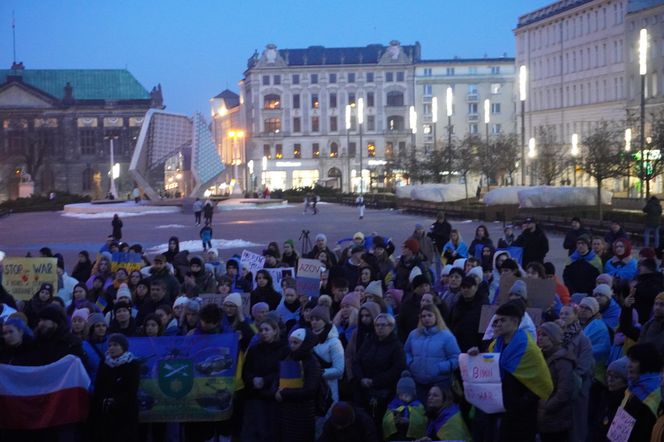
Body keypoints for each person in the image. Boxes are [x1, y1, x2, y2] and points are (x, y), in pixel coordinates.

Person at [470, 302, 553, 441]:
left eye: (503, 320)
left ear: (515, 321)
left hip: (521, 414)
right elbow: (489, 370)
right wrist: (476, 357)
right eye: (497, 320)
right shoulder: (495, 345)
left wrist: (520, 403)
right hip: (498, 409)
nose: (498, 324)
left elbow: (542, 383)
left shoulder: (529, 349)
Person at [241, 316, 289, 442]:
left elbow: (283, 371)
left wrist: (265, 380)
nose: (263, 333)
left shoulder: (284, 349)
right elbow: (246, 370)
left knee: (270, 431)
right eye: (261, 330)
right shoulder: (254, 349)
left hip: (273, 396)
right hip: (255, 396)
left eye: (267, 330)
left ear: (275, 331)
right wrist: (252, 379)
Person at [352, 313, 406, 423]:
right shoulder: (369, 341)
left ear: (391, 326)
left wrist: (375, 381)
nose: (379, 328)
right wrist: (361, 378)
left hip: (383, 391)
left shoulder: (396, 346)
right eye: (377, 325)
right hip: (363, 388)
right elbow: (357, 361)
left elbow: (397, 369)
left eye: (383, 325)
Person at [404, 305, 460, 400]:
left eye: (429, 315)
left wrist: (440, 368)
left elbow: (456, 358)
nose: (426, 318)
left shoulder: (447, 336)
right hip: (418, 382)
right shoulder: (413, 334)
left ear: (436, 316)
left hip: (439, 383)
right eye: (423, 316)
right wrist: (410, 363)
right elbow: (406, 352)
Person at [91, 333, 140, 442]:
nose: (111, 348)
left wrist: (117, 401)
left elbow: (131, 389)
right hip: (106, 411)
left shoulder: (132, 363)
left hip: (125, 412)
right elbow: (99, 385)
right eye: (110, 345)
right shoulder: (104, 362)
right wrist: (104, 400)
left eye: (115, 345)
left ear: (123, 347)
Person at [276, 328, 321, 442]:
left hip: (303, 413)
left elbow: (310, 390)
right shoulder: (289, 357)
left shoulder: (312, 362)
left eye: (295, 342)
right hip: (287, 411)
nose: (291, 346)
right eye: (290, 342)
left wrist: (284, 393)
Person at [536, 322, 576, 442]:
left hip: (557, 419)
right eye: (539, 334)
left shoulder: (563, 360)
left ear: (554, 337)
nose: (540, 338)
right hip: (544, 417)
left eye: (545, 335)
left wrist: (546, 407)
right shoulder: (541, 356)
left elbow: (564, 391)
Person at [619, 343, 663, 441]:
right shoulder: (632, 386)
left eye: (634, 361)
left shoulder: (656, 392)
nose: (629, 365)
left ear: (646, 363)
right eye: (629, 360)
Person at [309, 305, 345, 402]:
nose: (314, 322)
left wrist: (317, 373)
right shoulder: (309, 339)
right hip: (311, 389)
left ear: (325, 321)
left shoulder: (334, 342)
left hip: (328, 390)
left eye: (317, 319)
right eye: (312, 319)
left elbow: (339, 370)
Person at [381, 370, 426, 440]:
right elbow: (386, 420)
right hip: (396, 435)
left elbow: (421, 421)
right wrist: (394, 421)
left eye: (406, 395)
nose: (403, 397)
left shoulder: (418, 405)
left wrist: (409, 421)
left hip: (412, 437)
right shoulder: (394, 404)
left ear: (413, 395)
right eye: (401, 395)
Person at [621, 291, 664, 357]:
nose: (657, 307)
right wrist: (627, 307)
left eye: (662, 305)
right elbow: (627, 329)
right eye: (656, 304)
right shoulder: (649, 325)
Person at [449, 276, 486, 352]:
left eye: (468, 287)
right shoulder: (456, 306)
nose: (465, 290)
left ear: (476, 287)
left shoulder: (485, 306)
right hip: (457, 348)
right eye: (463, 287)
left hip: (476, 350)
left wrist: (481, 348)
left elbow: (488, 332)